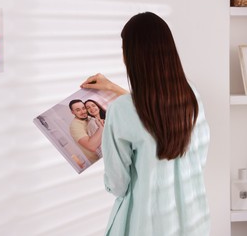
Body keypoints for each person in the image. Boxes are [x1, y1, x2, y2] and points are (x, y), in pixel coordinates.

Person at [81, 12, 210, 236]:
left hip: (144, 223)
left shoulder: (120, 110)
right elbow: (199, 157)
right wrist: (112, 87)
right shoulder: (191, 96)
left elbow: (118, 183)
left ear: (130, 56)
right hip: (192, 221)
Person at [68, 99, 101, 164]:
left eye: (83, 108)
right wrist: (101, 127)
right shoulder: (75, 126)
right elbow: (92, 147)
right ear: (73, 112)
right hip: (98, 160)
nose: (83, 112)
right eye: (78, 110)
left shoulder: (89, 118)